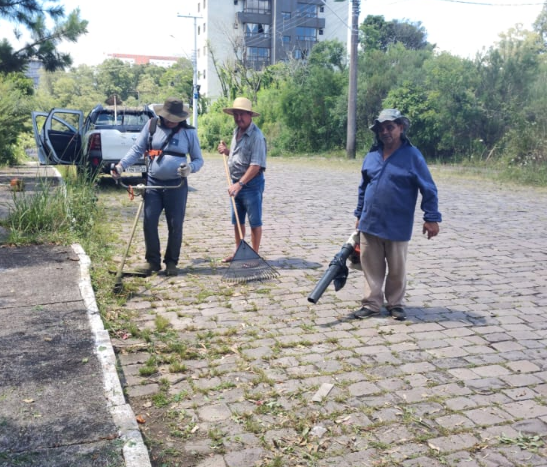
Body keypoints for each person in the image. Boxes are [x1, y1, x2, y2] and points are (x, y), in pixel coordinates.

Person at [353, 109, 442, 321]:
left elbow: (428, 188)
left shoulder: (412, 156)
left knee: (396, 268)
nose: (385, 132)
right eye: (381, 129)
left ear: (401, 128)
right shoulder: (372, 156)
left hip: (397, 223)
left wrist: (431, 217)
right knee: (371, 266)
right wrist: (359, 213)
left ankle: (395, 304)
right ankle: (372, 303)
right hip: (370, 222)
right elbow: (363, 187)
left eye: (390, 127)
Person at [111, 97, 204, 277]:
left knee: (175, 224)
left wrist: (190, 168)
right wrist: (121, 166)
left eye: (175, 119)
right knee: (149, 221)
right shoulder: (151, 126)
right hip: (153, 183)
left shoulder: (189, 132)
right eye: (169, 117)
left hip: (177, 185)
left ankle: (171, 262)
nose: (171, 121)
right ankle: (152, 262)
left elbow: (199, 159)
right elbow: (137, 149)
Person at [217, 97, 267, 262]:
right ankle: (239, 253)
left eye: (242, 115)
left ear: (250, 115)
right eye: (236, 115)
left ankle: (253, 256)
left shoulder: (257, 137)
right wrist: (227, 151)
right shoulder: (236, 131)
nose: (239, 118)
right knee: (237, 220)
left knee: (254, 221)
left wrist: (240, 184)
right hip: (236, 184)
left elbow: (256, 165)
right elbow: (239, 154)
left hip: (251, 185)